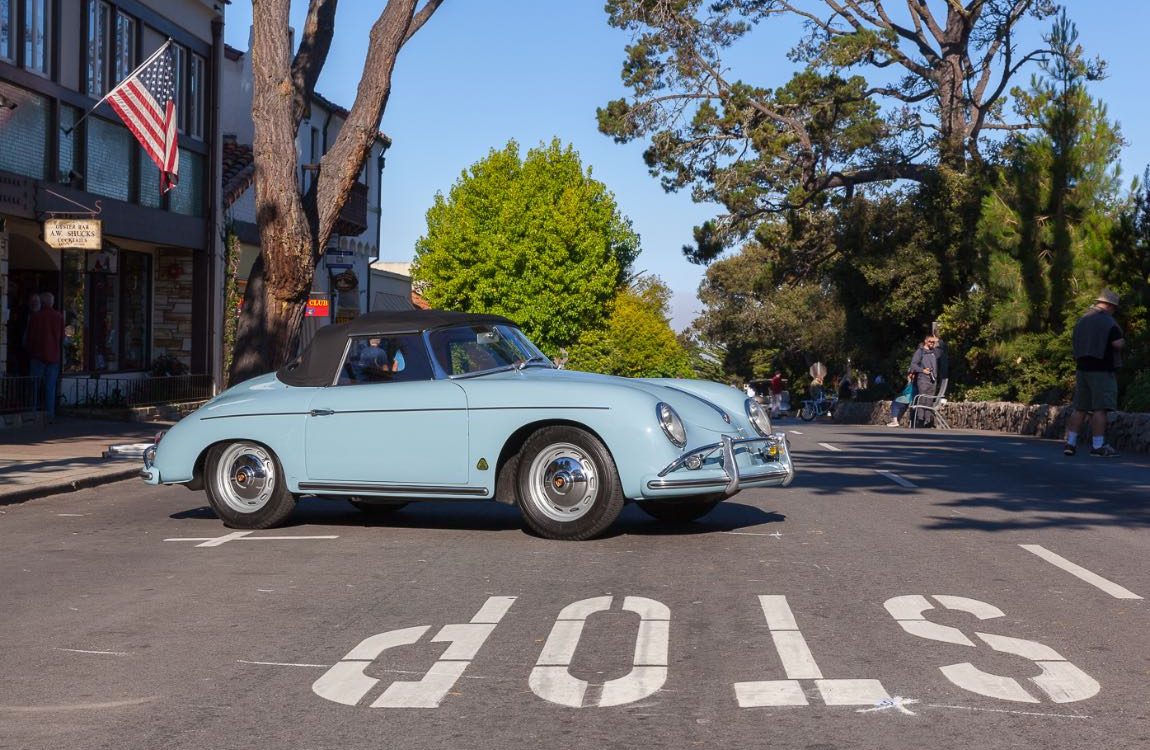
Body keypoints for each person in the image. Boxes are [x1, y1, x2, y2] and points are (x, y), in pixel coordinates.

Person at [1063, 290, 1124, 457]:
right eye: (1114, 308)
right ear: (1110, 305)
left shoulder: (1082, 320)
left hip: (1082, 368)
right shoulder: (1108, 321)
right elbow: (1117, 344)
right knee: (1100, 409)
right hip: (1102, 369)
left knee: (1080, 408)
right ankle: (1098, 446)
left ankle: (1070, 444)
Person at [25, 291, 65, 422]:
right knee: (50, 387)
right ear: (52, 302)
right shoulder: (58, 317)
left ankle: (32, 413)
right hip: (53, 356)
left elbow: (30, 337)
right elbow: (62, 338)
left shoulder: (36, 317)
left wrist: (30, 350)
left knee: (34, 386)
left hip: (37, 355)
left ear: (42, 302)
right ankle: (49, 415)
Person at [908, 334, 943, 426]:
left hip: (933, 380)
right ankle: (920, 419)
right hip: (923, 379)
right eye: (930, 341)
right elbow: (913, 365)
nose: (932, 343)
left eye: (933, 342)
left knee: (929, 400)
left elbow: (942, 349)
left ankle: (927, 420)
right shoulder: (920, 352)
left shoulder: (935, 352)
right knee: (922, 398)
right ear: (925, 341)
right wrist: (922, 370)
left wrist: (938, 340)